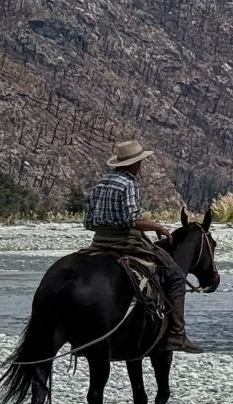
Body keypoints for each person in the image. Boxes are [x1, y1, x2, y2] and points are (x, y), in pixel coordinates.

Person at [83, 139, 202, 353]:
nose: (140, 165)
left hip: (98, 241)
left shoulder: (99, 184)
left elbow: (88, 222)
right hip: (126, 241)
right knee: (174, 274)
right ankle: (177, 333)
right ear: (132, 164)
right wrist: (156, 226)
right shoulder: (128, 184)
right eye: (139, 162)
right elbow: (132, 220)